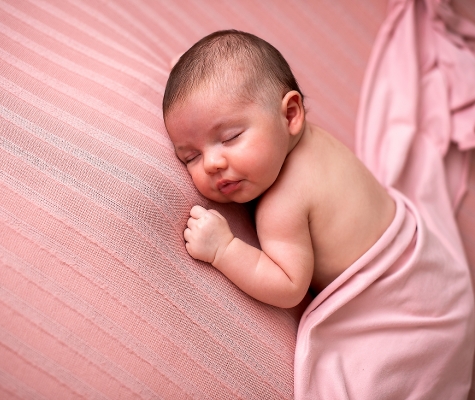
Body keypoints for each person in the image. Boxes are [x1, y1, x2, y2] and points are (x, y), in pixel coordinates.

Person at [162, 30, 395, 308]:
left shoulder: (282, 203)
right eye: (191, 157)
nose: (212, 164)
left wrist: (224, 249)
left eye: (231, 137)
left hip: (386, 291)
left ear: (290, 114)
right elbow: (219, 104)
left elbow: (289, 286)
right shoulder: (296, 135)